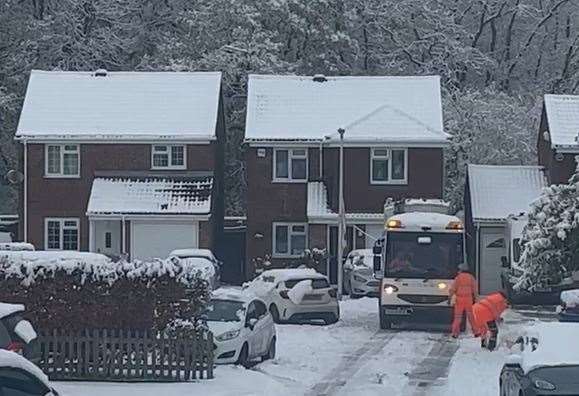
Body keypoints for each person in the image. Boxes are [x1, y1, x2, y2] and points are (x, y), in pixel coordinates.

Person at [449, 263, 478, 338]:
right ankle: (476, 331)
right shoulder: (471, 277)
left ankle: (455, 333)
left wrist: (449, 298)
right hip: (468, 299)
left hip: (459, 300)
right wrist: (476, 299)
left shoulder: (458, 278)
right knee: (471, 317)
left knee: (457, 317)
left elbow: (452, 289)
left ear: (460, 270)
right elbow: (475, 290)